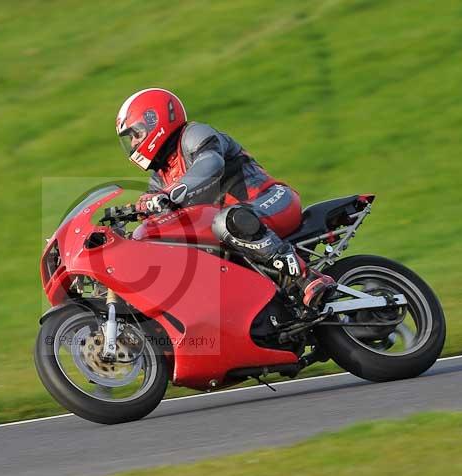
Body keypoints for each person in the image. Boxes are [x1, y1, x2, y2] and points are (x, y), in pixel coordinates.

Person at [116, 87, 336, 311]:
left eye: (137, 133)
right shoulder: (161, 176)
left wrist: (169, 193)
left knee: (227, 220)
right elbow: (156, 212)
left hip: (270, 199)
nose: (133, 144)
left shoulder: (193, 135)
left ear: (156, 121)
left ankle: (307, 278)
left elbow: (210, 163)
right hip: (234, 229)